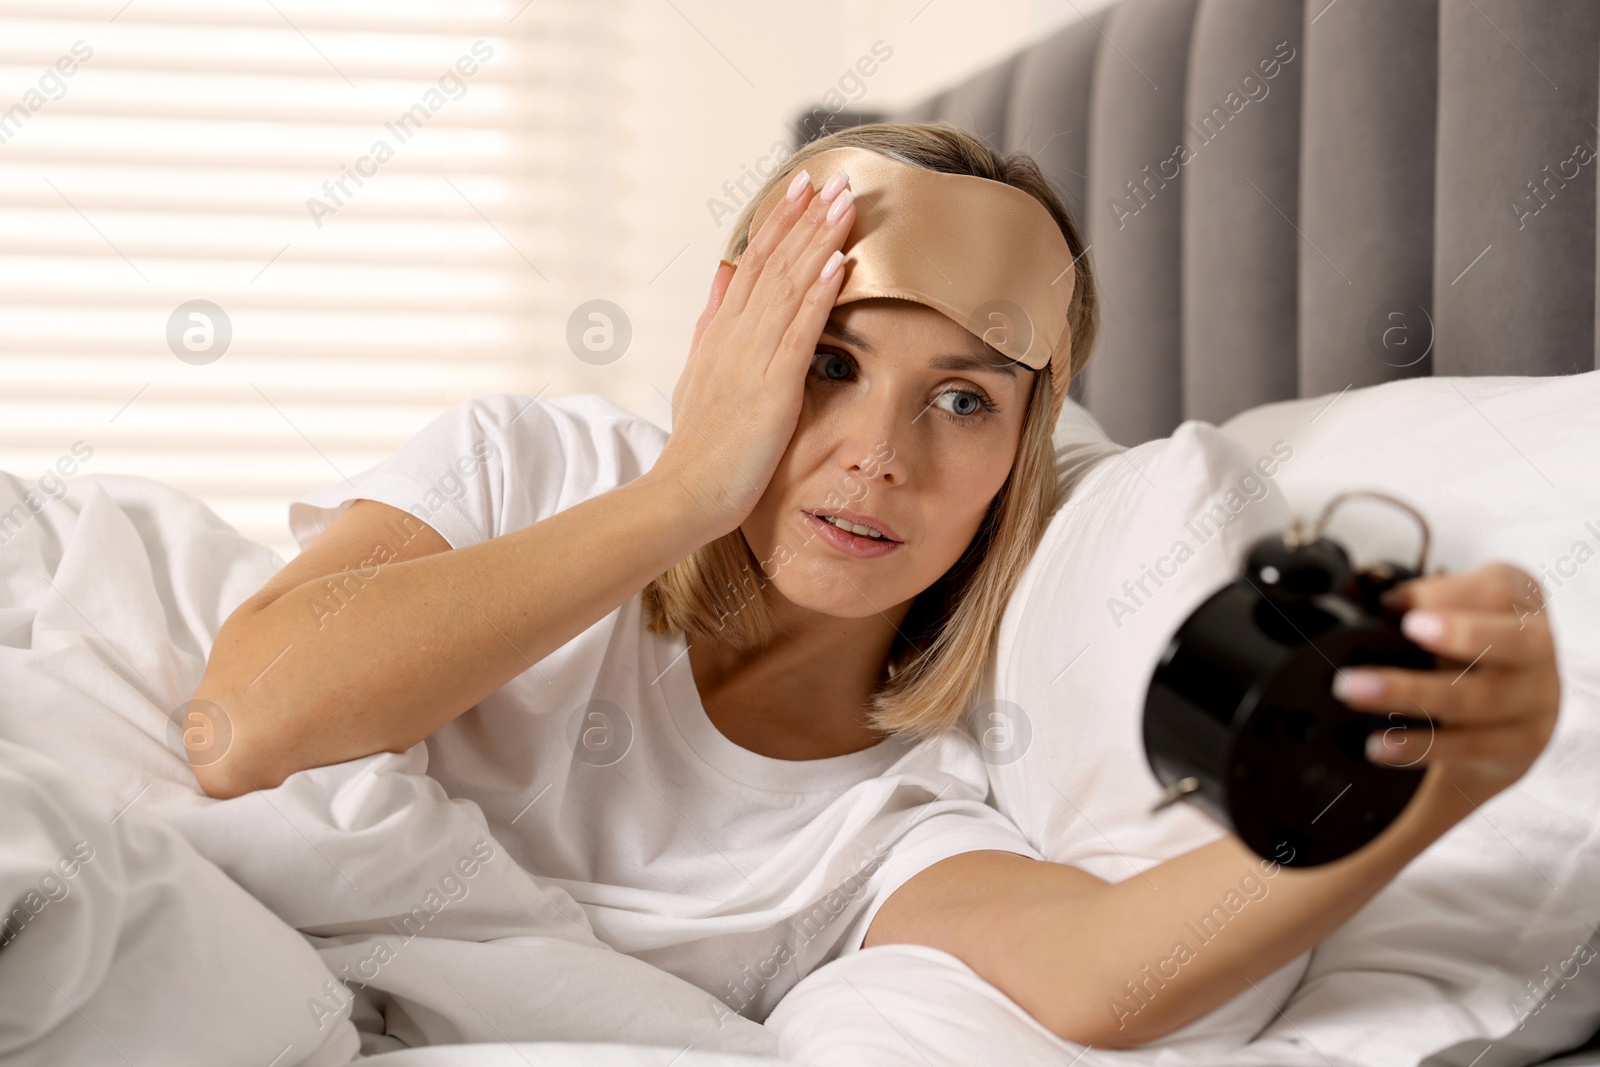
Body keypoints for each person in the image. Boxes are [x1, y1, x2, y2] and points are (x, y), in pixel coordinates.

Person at [187, 121, 1560, 1049]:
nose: (879, 459)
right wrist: (685, 493)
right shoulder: (525, 465)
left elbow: (1099, 976)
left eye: (961, 399)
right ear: (734, 344)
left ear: (1022, 449)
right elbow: (249, 724)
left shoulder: (903, 819)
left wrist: (1420, 792)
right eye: (829, 366)